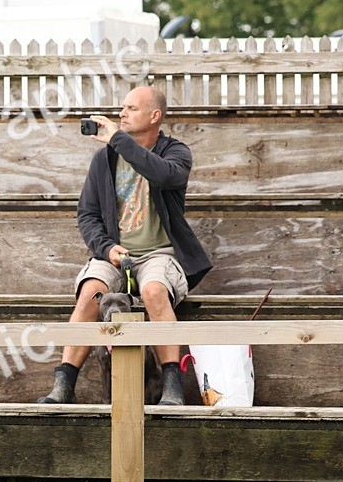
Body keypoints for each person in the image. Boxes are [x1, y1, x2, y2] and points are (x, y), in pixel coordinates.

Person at [37, 86, 212, 407]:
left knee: (155, 292)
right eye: (122, 108)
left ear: (154, 115)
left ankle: (172, 385)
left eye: (131, 108)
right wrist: (106, 249)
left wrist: (118, 139)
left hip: (160, 254)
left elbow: (164, 176)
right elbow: (87, 215)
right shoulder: (104, 160)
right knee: (90, 291)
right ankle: (64, 383)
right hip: (115, 252)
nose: (121, 114)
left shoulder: (176, 153)